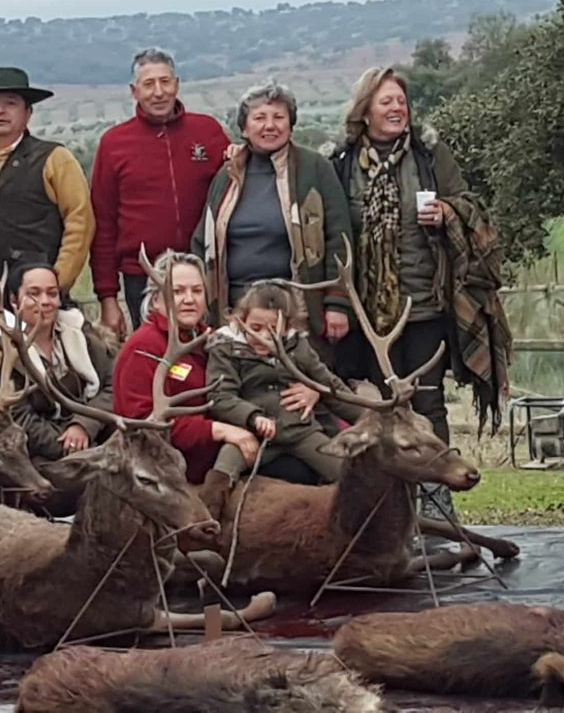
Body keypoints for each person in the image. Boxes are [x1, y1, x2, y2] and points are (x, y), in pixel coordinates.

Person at [330, 66, 511, 519]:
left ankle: (436, 506)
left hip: (426, 307)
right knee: (380, 407)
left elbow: (469, 203)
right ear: (365, 111)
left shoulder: (430, 155)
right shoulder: (341, 163)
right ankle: (387, 508)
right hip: (371, 317)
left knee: (428, 403)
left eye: (401, 101)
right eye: (386, 101)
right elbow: (331, 230)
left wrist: (447, 212)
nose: (397, 108)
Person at [113, 250, 323, 486]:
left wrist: (312, 389)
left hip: (241, 442)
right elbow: (144, 425)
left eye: (197, 290)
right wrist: (219, 431)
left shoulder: (214, 339)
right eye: (177, 291)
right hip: (176, 473)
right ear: (155, 300)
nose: (189, 299)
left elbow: (264, 376)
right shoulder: (143, 348)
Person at [191, 79, 353, 359]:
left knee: (300, 381)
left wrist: (338, 304)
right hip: (236, 314)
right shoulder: (226, 177)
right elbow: (202, 241)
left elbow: (339, 237)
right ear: (244, 128)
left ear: (291, 124)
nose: (270, 125)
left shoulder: (315, 169)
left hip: (297, 312)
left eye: (279, 117)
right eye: (259, 118)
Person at [0, 67, 94, 334]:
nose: (0, 111)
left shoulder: (55, 159)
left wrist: (54, 286)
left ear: (28, 113)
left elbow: (80, 223)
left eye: (10, 104)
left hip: (41, 310)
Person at [90, 48, 230, 334]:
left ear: (176, 85)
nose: (158, 92)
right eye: (149, 84)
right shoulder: (114, 144)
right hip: (144, 276)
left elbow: (234, 192)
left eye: (165, 82)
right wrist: (107, 297)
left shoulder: (208, 132)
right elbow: (103, 223)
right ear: (134, 91)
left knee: (208, 349)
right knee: (155, 352)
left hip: (204, 272)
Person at [201, 283, 366, 517]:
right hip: (252, 435)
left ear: (287, 327)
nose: (262, 336)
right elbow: (220, 396)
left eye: (272, 329)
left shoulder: (298, 346)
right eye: (255, 328)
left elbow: (330, 386)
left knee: (349, 476)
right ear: (241, 320)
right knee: (221, 475)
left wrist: (370, 416)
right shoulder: (226, 348)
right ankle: (206, 523)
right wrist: (252, 417)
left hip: (301, 431)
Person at [0, 263, 114, 462]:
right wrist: (71, 450)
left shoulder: (84, 337)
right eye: (34, 294)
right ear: (14, 300)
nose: (45, 301)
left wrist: (83, 426)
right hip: (31, 457)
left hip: (90, 440)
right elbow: (19, 420)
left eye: (52, 293)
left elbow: (112, 386)